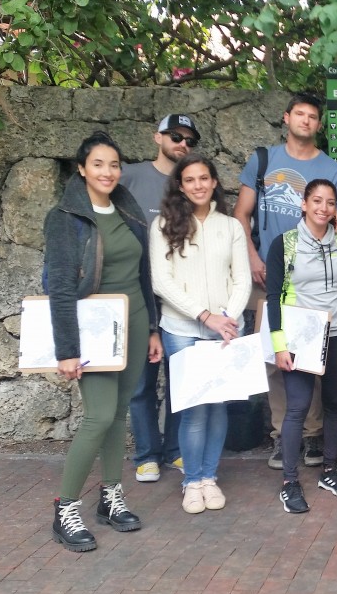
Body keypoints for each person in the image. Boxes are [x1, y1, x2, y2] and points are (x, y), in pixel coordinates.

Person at [45, 131, 162, 552]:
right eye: (98, 164)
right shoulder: (64, 217)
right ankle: (66, 507)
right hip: (91, 328)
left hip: (132, 321)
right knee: (97, 415)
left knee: (117, 415)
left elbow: (143, 274)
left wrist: (151, 328)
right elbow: (59, 286)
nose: (107, 172)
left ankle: (111, 498)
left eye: (114, 165)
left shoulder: (127, 209)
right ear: (81, 168)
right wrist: (67, 349)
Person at [233, 92, 337, 470]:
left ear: (319, 124)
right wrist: (254, 258)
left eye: (312, 116)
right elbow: (241, 214)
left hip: (316, 280)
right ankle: (280, 436)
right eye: (299, 114)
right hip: (268, 274)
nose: (305, 120)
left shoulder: (333, 170)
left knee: (321, 356)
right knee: (278, 358)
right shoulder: (263, 161)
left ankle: (312, 433)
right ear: (286, 118)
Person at [150, 154, 252, 514]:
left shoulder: (231, 227)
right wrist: (205, 315)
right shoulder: (163, 224)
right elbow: (162, 282)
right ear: (180, 185)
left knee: (218, 405)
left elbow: (241, 279)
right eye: (190, 179)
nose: (198, 185)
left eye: (204, 178)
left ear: (213, 182)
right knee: (194, 409)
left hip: (222, 329)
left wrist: (227, 317)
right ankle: (191, 481)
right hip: (181, 329)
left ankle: (210, 477)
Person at [267, 178, 337, 513]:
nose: (324, 208)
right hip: (301, 334)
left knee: (334, 404)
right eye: (317, 201)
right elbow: (273, 298)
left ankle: (329, 470)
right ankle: (290, 482)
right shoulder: (285, 244)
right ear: (304, 204)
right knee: (297, 406)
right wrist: (279, 344)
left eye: (330, 202)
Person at [122, 113, 199, 483]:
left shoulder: (190, 183)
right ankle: (147, 454)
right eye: (175, 135)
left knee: (180, 380)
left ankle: (176, 450)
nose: (182, 143)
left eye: (188, 139)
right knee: (141, 384)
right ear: (158, 137)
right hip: (138, 294)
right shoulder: (130, 176)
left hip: (179, 300)